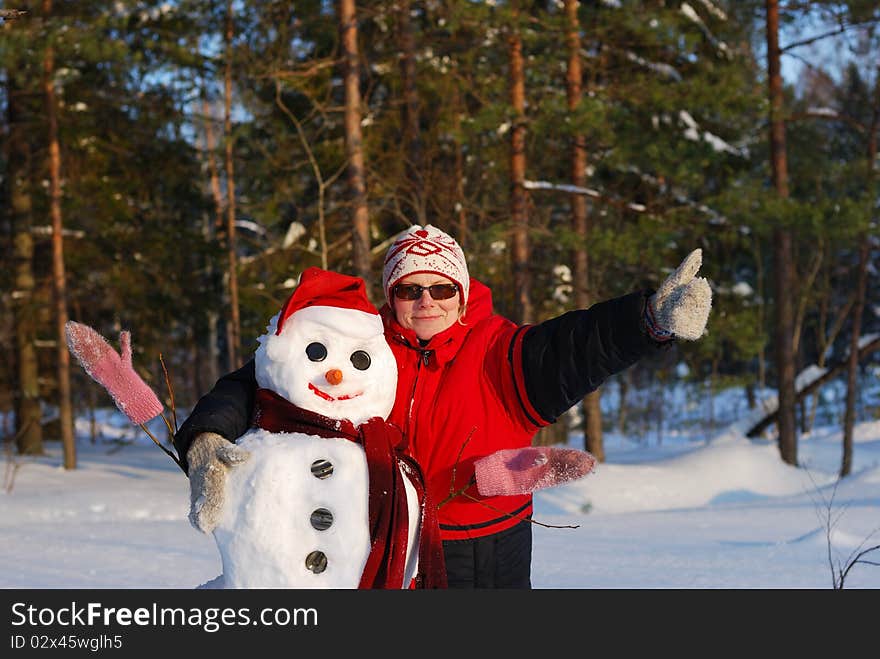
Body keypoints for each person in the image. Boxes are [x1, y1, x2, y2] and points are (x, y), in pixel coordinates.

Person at [174, 224, 712, 588]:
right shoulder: (365, 346)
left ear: (461, 293)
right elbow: (261, 380)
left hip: (483, 551)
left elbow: (579, 345)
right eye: (410, 290)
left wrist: (648, 320)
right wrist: (207, 433)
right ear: (392, 297)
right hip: (386, 545)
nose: (426, 300)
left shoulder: (500, 352)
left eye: (440, 288)